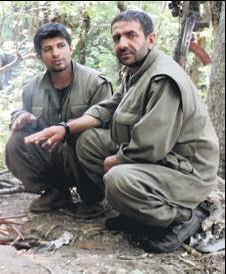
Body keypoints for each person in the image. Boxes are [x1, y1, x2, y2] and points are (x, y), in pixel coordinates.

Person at [24, 10, 219, 253]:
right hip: (162, 160)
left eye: (131, 35)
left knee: (117, 179)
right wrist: (65, 128)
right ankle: (138, 211)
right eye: (117, 38)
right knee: (88, 141)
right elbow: (108, 108)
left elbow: (150, 146)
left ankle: (186, 215)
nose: (122, 44)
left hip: (187, 171)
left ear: (150, 39)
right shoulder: (136, 70)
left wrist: (117, 160)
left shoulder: (162, 79)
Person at [5, 22, 113, 215]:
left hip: (85, 157)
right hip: (54, 154)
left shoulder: (95, 83)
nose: (56, 53)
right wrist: (20, 117)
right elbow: (20, 112)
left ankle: (94, 198)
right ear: (39, 56)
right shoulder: (31, 88)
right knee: (16, 141)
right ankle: (56, 192)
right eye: (48, 49)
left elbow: (108, 129)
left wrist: (71, 130)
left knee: (87, 140)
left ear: (70, 48)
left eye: (61, 46)